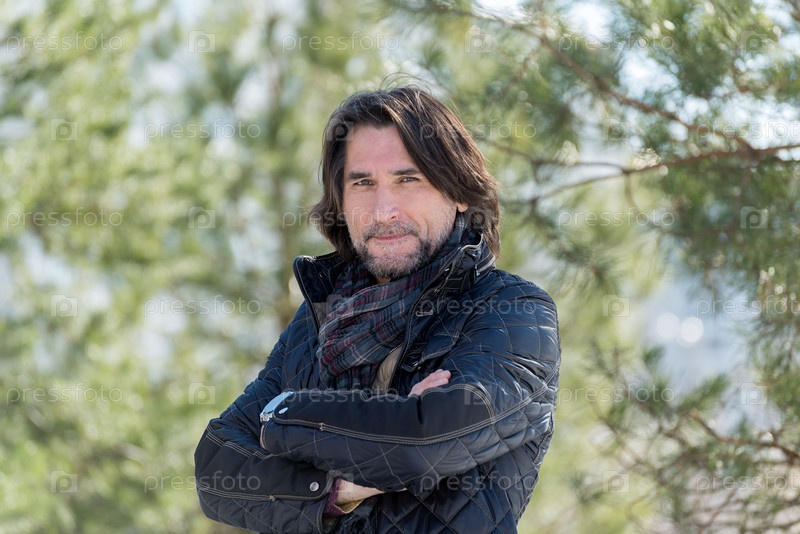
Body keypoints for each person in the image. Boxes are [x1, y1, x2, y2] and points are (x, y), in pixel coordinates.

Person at [194, 86, 561, 533]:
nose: (384, 211)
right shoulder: (319, 320)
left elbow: (422, 444)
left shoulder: (512, 311)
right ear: (341, 201)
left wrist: (280, 415)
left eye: (408, 180)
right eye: (363, 183)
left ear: (459, 191)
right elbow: (216, 470)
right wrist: (334, 489)